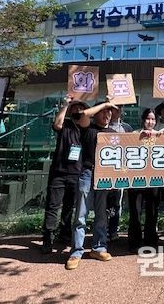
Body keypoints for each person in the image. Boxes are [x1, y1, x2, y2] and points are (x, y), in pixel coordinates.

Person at [66, 100, 117, 270]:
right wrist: (105, 104)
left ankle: (99, 248)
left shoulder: (114, 133)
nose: (107, 114)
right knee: (81, 215)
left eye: (109, 112)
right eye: (104, 111)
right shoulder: (88, 128)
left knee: (101, 215)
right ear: (96, 112)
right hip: (87, 173)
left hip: (105, 177)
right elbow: (83, 115)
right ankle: (76, 251)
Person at [41, 96, 89, 254]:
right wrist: (65, 105)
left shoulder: (86, 128)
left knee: (69, 206)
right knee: (53, 206)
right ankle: (48, 236)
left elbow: (87, 118)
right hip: (59, 171)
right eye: (75, 108)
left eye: (81, 108)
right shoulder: (65, 124)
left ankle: (65, 233)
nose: (78, 110)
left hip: (76, 172)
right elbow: (57, 124)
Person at [127, 108, 161, 251]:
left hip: (153, 180)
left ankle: (150, 239)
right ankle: (134, 241)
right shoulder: (135, 134)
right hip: (136, 179)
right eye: (148, 118)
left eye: (153, 119)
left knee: (152, 211)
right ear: (143, 120)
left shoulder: (160, 135)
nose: (150, 122)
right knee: (135, 211)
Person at [106, 105, 133, 241]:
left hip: (121, 171)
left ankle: (113, 230)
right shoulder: (104, 126)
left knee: (117, 202)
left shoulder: (127, 128)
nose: (117, 111)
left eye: (119, 108)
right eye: (114, 108)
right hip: (105, 169)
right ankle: (102, 230)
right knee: (103, 202)